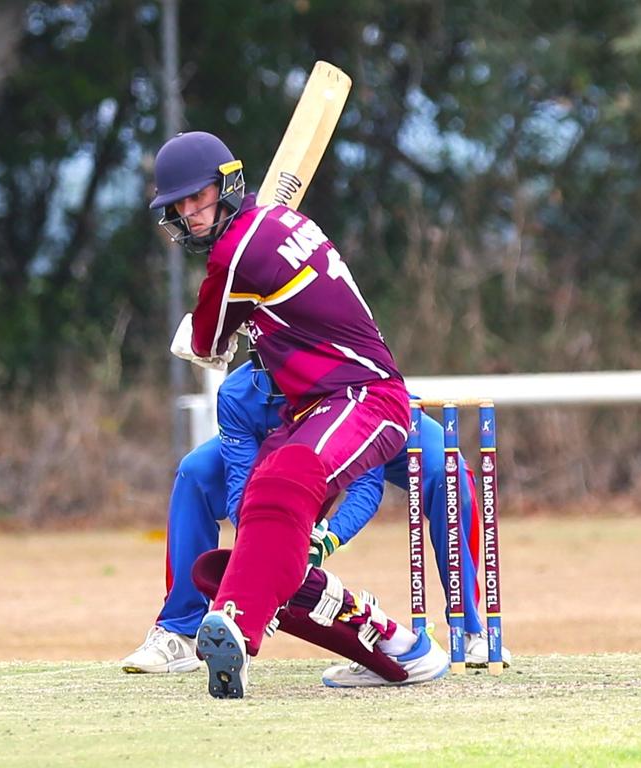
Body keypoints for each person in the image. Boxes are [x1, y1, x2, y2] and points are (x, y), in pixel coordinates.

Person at [149, 130, 435, 698]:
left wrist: (195, 336)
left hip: (365, 395)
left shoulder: (234, 255)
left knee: (282, 486)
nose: (190, 214)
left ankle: (236, 624)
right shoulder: (277, 229)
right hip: (312, 409)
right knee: (265, 523)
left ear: (228, 186)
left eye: (198, 198)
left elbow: (207, 346)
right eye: (180, 205)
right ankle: (396, 644)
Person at [120, 360, 512, 677]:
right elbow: (243, 487)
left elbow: (364, 487)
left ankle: (473, 627)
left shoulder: (327, 367)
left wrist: (325, 538)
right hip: (290, 442)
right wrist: (267, 552)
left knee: (449, 473)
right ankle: (179, 631)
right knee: (195, 474)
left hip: (373, 413)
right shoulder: (242, 393)